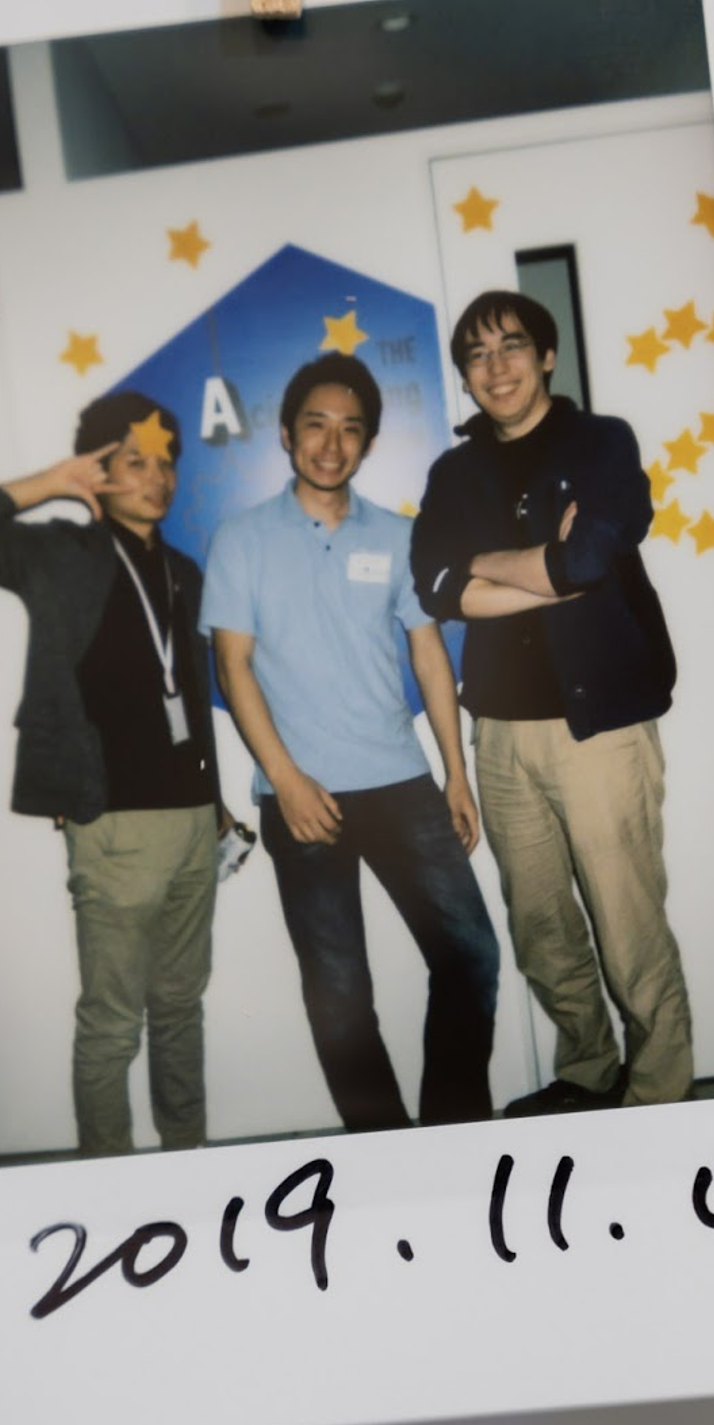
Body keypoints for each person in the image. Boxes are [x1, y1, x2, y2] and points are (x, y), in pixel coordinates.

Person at [411, 290, 693, 1114]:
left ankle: (660, 1097)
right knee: (540, 928)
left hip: (597, 726)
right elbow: (435, 584)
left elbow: (590, 558)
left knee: (627, 924)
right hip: (499, 732)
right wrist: (544, 568)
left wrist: (486, 565)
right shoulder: (453, 472)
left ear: (546, 357)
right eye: (477, 354)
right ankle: (588, 1071)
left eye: (511, 346)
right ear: (465, 375)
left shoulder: (602, 442)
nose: (495, 366)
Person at [202, 354, 499, 1134]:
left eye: (350, 429)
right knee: (339, 994)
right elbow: (233, 667)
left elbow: (428, 654)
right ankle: (382, 1144)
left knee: (471, 955)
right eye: (316, 426)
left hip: (400, 782)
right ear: (286, 433)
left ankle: (454, 1133)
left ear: (366, 443)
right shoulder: (242, 539)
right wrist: (285, 780)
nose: (331, 445)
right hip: (301, 793)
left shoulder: (398, 536)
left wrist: (455, 775)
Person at [0, 390, 226, 1156]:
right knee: (113, 1021)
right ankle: (109, 1176)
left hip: (194, 822)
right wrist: (51, 482)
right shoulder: (61, 553)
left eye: (166, 463)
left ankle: (187, 1157)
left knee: (181, 1007)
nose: (157, 478)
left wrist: (216, 802)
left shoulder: (185, 571)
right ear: (100, 469)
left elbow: (191, 694)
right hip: (113, 821)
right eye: (136, 462)